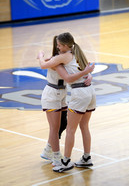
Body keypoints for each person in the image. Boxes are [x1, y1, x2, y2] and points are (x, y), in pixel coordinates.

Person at [37, 35, 94, 167]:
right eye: (57, 45)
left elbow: (79, 68)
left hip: (62, 94)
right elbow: (45, 65)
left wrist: (88, 74)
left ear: (65, 45)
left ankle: (49, 150)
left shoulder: (69, 56)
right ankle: (57, 156)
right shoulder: (55, 60)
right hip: (52, 93)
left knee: (62, 125)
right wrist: (40, 55)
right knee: (56, 128)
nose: (58, 47)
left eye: (60, 45)